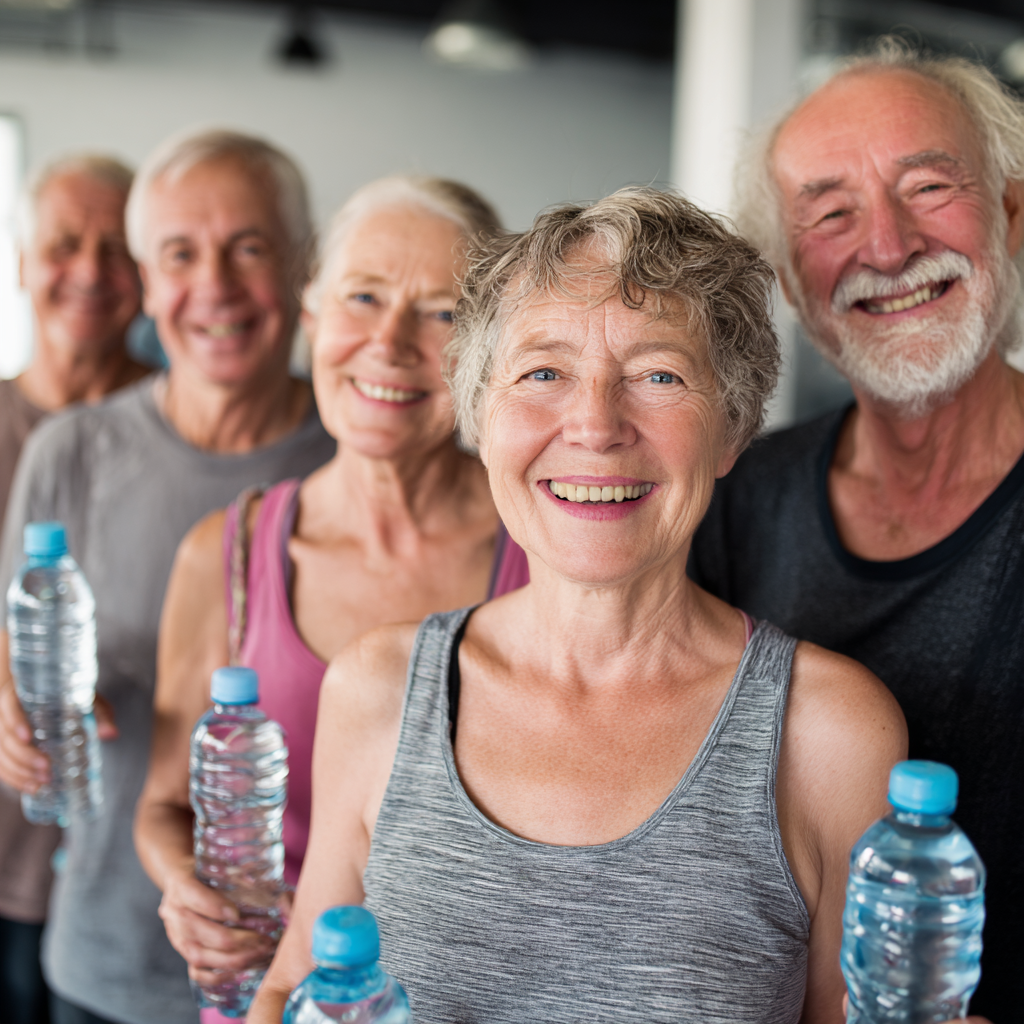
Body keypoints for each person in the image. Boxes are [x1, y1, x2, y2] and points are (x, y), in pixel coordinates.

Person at [249, 187, 907, 1024]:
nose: (595, 426)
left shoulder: (831, 733)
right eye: (544, 373)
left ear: (733, 427)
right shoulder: (377, 686)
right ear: (479, 414)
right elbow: (292, 985)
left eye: (659, 375)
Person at [688, 38, 1024, 1024]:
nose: (886, 246)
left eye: (929, 188)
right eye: (830, 213)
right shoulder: (731, 501)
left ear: (1012, 214)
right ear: (790, 280)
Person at [132, 175, 529, 998]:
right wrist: (185, 889)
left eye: (441, 313)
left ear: (490, 346)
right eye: (364, 297)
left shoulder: (546, 546)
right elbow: (165, 806)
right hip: (272, 993)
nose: (389, 341)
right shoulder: (225, 552)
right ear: (312, 315)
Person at [0, 129, 336, 1024]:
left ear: (301, 265)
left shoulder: (358, 460)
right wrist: (13, 715)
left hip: (311, 977)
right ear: (149, 280)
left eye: (249, 248)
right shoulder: (70, 450)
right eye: (182, 254)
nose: (215, 285)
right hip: (104, 956)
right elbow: (15, 654)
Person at [0, 154, 147, 1024]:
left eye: (117, 248)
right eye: (64, 245)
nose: (90, 271)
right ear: (21, 261)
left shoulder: (179, 435)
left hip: (133, 880)